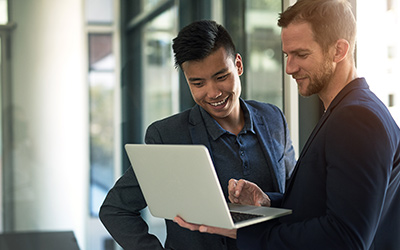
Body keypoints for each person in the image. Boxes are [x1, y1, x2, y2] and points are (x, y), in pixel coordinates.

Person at [174, 1, 400, 249]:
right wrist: (268, 202)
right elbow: (327, 205)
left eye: (301, 55)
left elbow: (345, 238)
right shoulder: (347, 111)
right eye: (286, 55)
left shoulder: (356, 119)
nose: (289, 68)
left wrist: (243, 234)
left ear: (339, 50)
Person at [99, 20, 296, 250]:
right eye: (198, 83)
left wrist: (267, 200)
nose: (213, 93)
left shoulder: (273, 119)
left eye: (221, 76)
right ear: (187, 80)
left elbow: (295, 196)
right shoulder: (168, 136)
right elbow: (116, 209)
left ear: (238, 65)